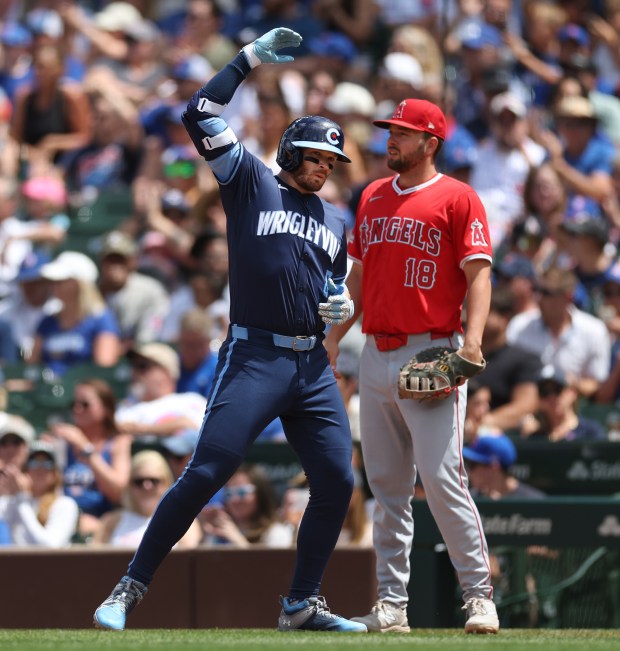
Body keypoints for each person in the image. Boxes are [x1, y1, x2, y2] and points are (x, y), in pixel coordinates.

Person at [93, 27, 366, 634]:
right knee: (209, 469)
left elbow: (329, 288)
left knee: (338, 480)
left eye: (331, 161)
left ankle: (301, 604)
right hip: (256, 356)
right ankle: (129, 587)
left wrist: (340, 300)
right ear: (291, 154)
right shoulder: (249, 181)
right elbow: (200, 112)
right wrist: (245, 60)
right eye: (315, 157)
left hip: (311, 366)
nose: (323, 169)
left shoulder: (338, 218)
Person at [324, 97, 500, 634]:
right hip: (376, 352)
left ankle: (479, 596)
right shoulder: (373, 196)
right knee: (386, 487)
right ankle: (392, 606)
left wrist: (470, 345)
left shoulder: (458, 197)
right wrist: (333, 341)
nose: (390, 140)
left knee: (444, 481)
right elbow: (357, 279)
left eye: (401, 132)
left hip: (432, 350)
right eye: (389, 131)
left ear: (431, 143)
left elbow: (478, 275)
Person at [46, 379, 132, 541]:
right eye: (74, 404)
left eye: (85, 405)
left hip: (104, 522)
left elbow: (119, 493)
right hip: (61, 519)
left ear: (106, 409)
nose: (78, 410)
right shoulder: (63, 442)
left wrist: (85, 448)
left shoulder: (117, 442)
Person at [90, 450, 201, 548]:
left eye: (154, 481)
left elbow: (187, 564)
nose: (147, 487)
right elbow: (95, 562)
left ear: (166, 484)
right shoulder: (111, 521)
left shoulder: (183, 522)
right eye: (139, 481)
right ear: (129, 486)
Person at [0, 440, 79, 547]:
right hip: (14, 563)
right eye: (33, 463)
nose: (39, 469)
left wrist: (22, 499)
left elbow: (50, 546)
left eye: (47, 463)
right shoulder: (11, 502)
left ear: (55, 472)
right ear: (25, 470)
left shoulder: (65, 504)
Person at [200, 463, 294, 548]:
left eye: (242, 492)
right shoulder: (218, 531)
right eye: (229, 493)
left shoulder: (276, 532)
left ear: (260, 493)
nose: (235, 500)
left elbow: (272, 566)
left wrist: (236, 538)